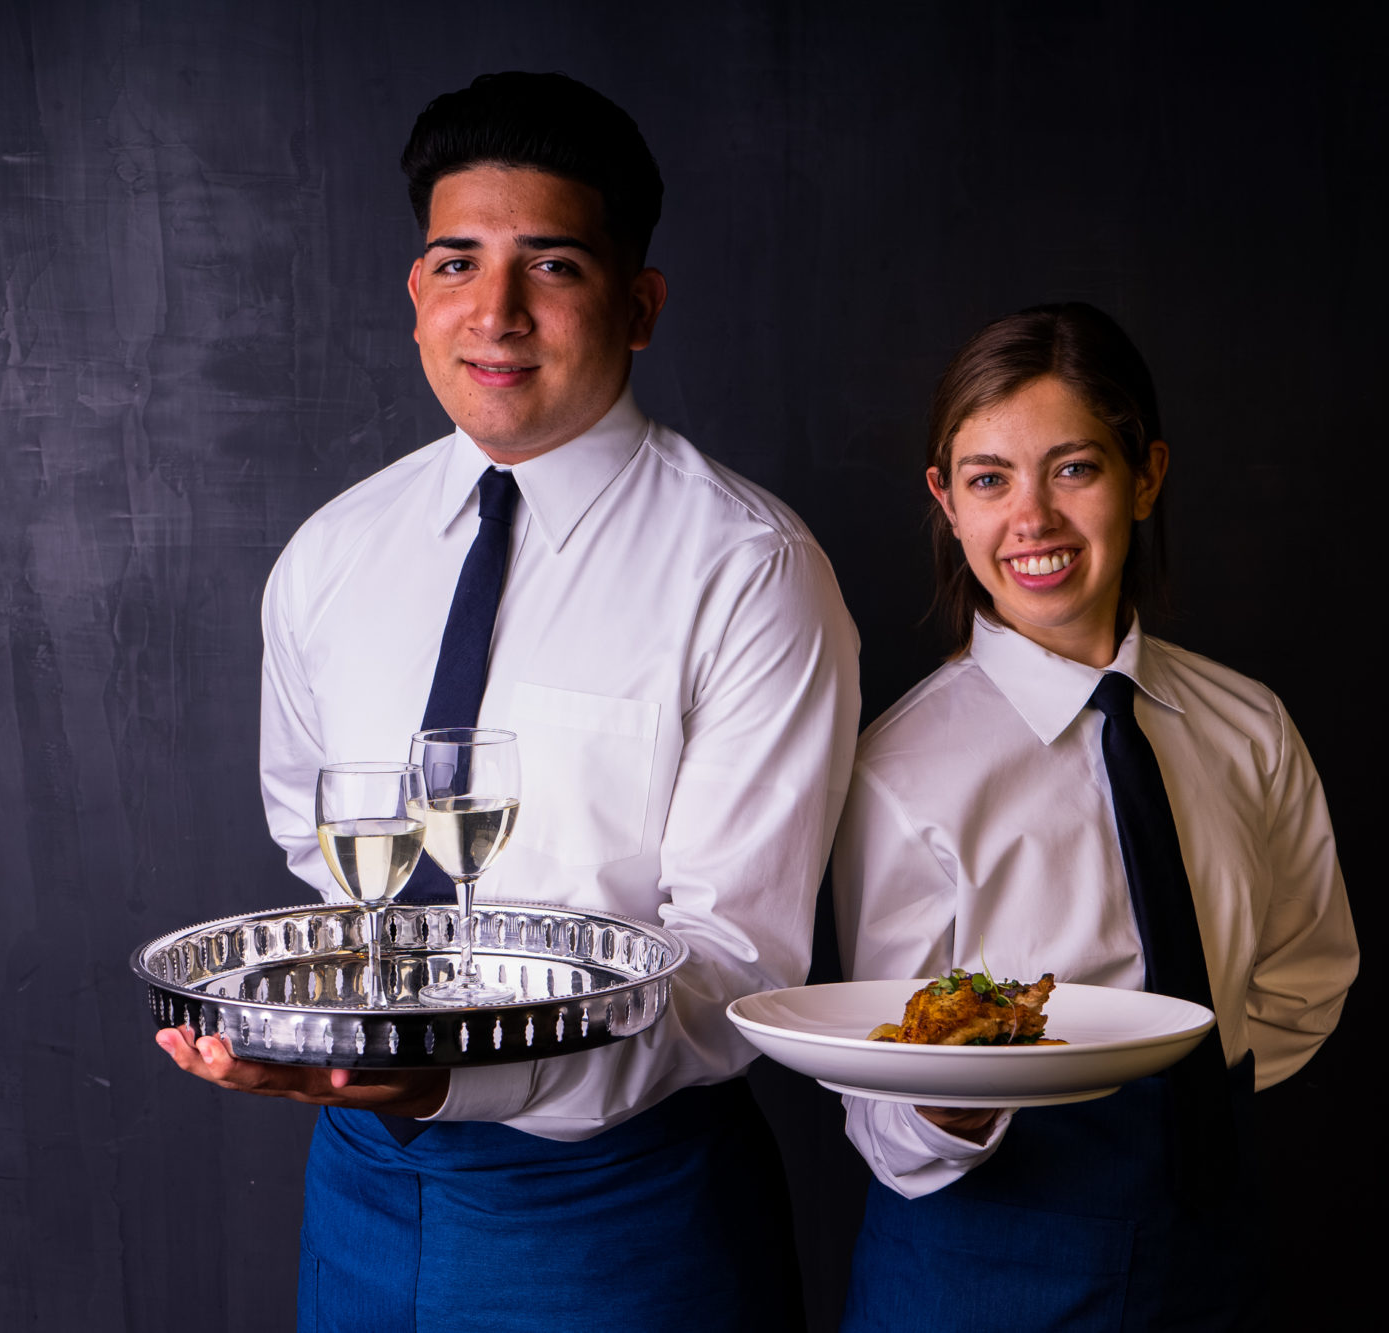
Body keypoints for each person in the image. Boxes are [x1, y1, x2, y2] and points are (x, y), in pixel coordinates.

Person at [154, 72, 860, 1331]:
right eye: (453, 263)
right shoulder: (330, 553)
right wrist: (331, 1037)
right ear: (412, 296)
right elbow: (315, 853)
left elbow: (731, 972)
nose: (496, 313)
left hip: (616, 1213)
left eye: (552, 268)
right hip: (360, 1189)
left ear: (637, 306)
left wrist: (445, 1079)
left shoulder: (747, 570)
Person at [829, 302, 1358, 1330]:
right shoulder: (898, 768)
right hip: (976, 1257)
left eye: (1071, 468)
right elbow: (878, 1093)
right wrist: (945, 1111)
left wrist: (1176, 1092)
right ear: (944, 499)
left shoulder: (1246, 727)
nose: (1030, 520)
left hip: (1205, 1244)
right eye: (988, 479)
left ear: (1145, 475)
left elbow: (1304, 978)